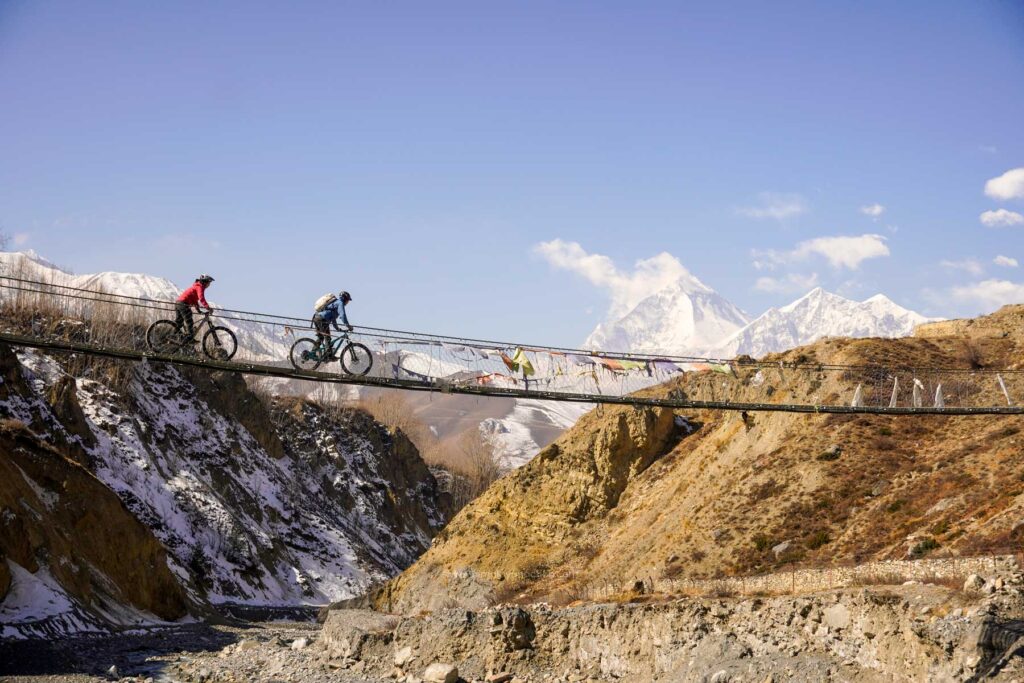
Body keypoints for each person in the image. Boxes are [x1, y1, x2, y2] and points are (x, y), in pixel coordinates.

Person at [313, 290, 352, 360]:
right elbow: (343, 315)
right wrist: (348, 326)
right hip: (322, 320)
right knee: (327, 337)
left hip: (317, 318)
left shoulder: (336, 303)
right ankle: (329, 356)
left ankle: (312, 353)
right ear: (345, 299)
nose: (348, 302)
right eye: (348, 300)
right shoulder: (340, 303)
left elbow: (333, 319)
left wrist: (337, 328)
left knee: (321, 337)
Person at [175, 274, 214, 341]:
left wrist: (198, 309)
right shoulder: (200, 287)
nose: (209, 285)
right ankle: (189, 338)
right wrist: (208, 307)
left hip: (178, 303)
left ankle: (172, 336)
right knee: (189, 321)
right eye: (209, 283)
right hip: (183, 304)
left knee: (179, 323)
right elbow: (201, 298)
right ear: (205, 282)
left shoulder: (197, 286)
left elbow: (194, 300)